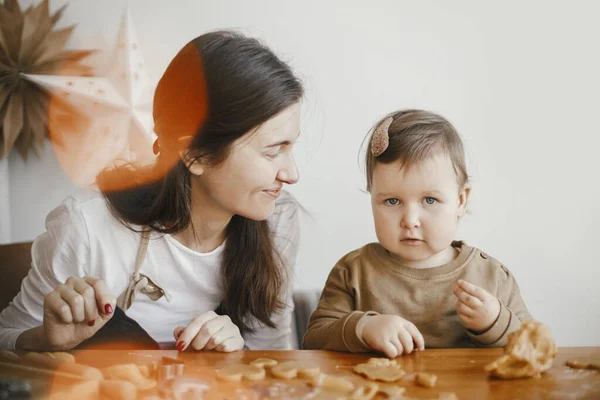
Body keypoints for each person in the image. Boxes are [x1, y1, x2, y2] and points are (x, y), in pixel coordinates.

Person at [0, 30, 304, 352]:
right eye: (273, 152)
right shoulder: (86, 227)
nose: (292, 174)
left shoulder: (278, 218)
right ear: (195, 155)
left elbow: (276, 359)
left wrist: (238, 354)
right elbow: (6, 339)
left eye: (291, 147)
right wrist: (47, 340)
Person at [303, 109, 532, 357]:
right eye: (392, 201)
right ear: (372, 198)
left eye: (430, 200)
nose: (410, 221)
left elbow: (534, 347)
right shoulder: (353, 272)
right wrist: (364, 327)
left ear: (461, 201)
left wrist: (495, 322)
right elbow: (314, 340)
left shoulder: (491, 277)